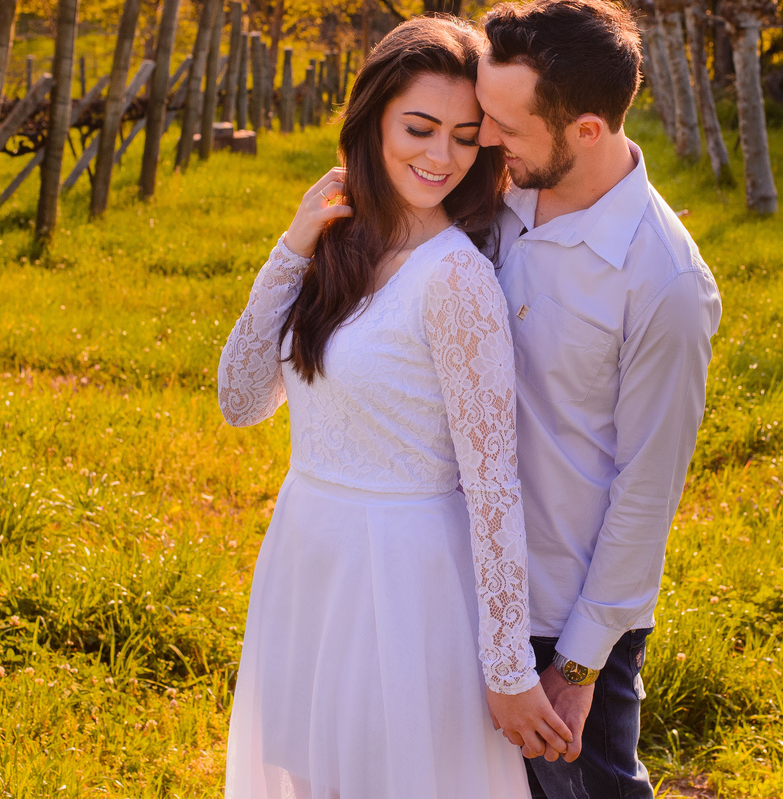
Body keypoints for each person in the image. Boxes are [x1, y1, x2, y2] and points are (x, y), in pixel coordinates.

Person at [217, 16, 572, 799]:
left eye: (464, 136)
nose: (440, 157)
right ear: (372, 118)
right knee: (312, 773)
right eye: (419, 128)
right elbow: (242, 400)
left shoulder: (456, 282)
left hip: (404, 576)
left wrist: (510, 667)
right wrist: (292, 248)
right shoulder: (336, 248)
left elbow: (492, 486)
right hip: (309, 555)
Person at [476, 2, 723, 797]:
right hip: (464, 580)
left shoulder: (664, 283)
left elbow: (646, 493)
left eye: (506, 125)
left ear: (585, 130)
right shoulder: (494, 201)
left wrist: (579, 665)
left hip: (564, 617)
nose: (485, 138)